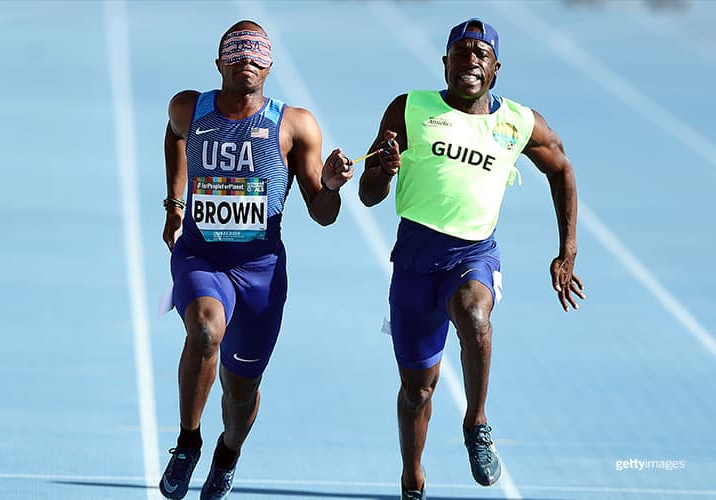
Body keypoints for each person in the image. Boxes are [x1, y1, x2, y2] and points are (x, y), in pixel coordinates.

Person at [358, 18, 585, 500]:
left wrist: (567, 250)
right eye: (460, 52)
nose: (470, 61)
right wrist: (382, 168)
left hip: (473, 253)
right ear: (444, 63)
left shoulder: (518, 123)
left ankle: (476, 423)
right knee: (418, 389)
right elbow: (368, 193)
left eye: (481, 54)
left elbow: (562, 167)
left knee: (474, 314)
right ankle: (412, 477)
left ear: (496, 69)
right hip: (416, 258)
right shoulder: (410, 108)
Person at [159, 20, 353, 499]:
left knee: (241, 390)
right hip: (201, 255)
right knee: (205, 329)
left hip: (260, 270)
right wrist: (175, 203)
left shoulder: (294, 124)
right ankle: (188, 442)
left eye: (256, 52)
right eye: (236, 51)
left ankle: (228, 452)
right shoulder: (189, 107)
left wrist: (328, 186)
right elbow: (174, 135)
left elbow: (322, 215)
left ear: (270, 64)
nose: (247, 58)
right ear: (219, 61)